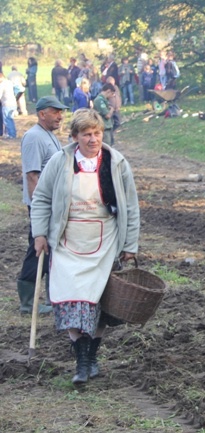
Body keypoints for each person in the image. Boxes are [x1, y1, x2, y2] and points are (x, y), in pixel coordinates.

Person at [30, 108, 140, 385]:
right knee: (72, 302)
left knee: (100, 305)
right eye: (87, 134)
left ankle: (90, 358)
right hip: (68, 241)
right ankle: (81, 362)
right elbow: (42, 198)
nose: (93, 139)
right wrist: (40, 233)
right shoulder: (60, 161)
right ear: (75, 136)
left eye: (97, 133)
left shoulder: (116, 162)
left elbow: (130, 206)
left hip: (105, 241)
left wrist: (130, 244)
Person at [17, 96, 68, 315]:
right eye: (55, 111)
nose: (60, 116)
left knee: (49, 250)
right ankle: (28, 302)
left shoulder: (49, 136)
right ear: (41, 114)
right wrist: (41, 209)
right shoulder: (33, 137)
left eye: (61, 112)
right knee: (38, 248)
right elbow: (32, 177)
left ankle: (50, 296)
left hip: (53, 204)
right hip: (41, 205)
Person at [0, 73, 18, 139]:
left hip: (7, 104)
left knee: (7, 120)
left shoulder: (2, 85)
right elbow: (18, 88)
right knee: (10, 119)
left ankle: (11, 134)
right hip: (13, 103)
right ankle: (12, 133)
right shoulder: (9, 82)